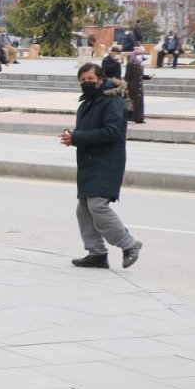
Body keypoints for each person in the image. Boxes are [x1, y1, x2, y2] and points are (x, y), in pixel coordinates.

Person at [62, 64, 142, 270]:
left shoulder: (111, 102)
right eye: (82, 79)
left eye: (90, 78)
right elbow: (88, 131)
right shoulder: (88, 103)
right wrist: (73, 137)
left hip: (107, 161)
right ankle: (97, 253)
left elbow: (112, 131)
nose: (86, 82)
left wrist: (77, 137)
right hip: (89, 161)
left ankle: (129, 244)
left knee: (98, 205)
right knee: (84, 210)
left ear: (100, 78)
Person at [126, 46, 154, 124]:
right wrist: (126, 87)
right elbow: (127, 76)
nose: (141, 57)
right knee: (133, 103)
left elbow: (141, 76)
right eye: (139, 54)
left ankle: (139, 118)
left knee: (140, 102)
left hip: (139, 86)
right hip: (133, 86)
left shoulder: (140, 64)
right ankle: (131, 118)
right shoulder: (131, 64)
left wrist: (148, 77)